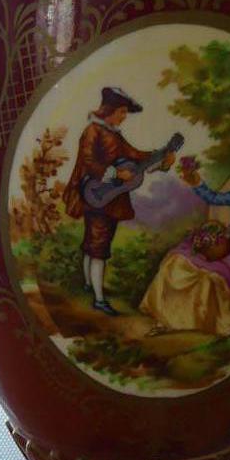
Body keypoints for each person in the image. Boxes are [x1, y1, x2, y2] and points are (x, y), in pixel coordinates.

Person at [139, 155, 230, 335]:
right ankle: (170, 317)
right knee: (182, 260)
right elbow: (214, 198)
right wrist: (197, 182)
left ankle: (193, 320)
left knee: (214, 278)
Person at [63, 86, 175, 316]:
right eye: (122, 111)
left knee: (95, 243)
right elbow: (88, 162)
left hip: (111, 199)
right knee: (98, 247)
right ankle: (98, 300)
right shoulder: (92, 131)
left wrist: (161, 157)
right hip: (95, 194)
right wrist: (115, 173)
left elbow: (135, 155)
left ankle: (89, 285)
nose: (124, 116)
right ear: (109, 110)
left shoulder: (114, 134)